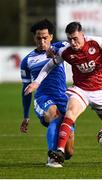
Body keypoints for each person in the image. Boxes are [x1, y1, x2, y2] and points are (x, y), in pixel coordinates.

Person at [24, 21, 102, 165]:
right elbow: (49, 65)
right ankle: (59, 151)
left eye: (75, 38)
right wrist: (36, 82)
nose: (73, 42)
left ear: (82, 34)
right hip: (81, 90)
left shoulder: (96, 41)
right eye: (70, 39)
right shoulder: (66, 51)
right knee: (69, 114)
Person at [20, 19, 74, 168]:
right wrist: (26, 116)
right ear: (34, 38)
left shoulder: (60, 48)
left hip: (62, 98)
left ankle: (60, 153)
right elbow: (25, 89)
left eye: (45, 37)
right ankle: (52, 157)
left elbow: (77, 45)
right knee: (54, 114)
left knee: (69, 152)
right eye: (38, 38)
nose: (42, 41)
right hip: (43, 98)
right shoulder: (27, 61)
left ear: (51, 36)